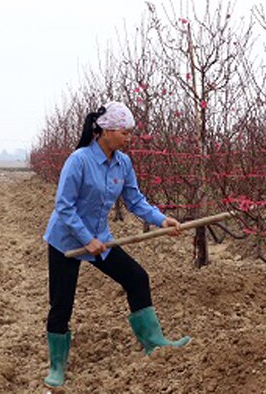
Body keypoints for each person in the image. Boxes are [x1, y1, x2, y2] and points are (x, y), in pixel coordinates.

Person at [41, 101, 190, 388]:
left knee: (136, 278)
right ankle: (57, 366)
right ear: (105, 130)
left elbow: (135, 200)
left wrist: (161, 220)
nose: (129, 138)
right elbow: (64, 206)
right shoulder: (79, 160)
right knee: (62, 304)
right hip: (66, 241)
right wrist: (87, 239)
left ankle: (154, 343)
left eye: (131, 133)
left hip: (101, 238)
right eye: (125, 132)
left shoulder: (123, 163)